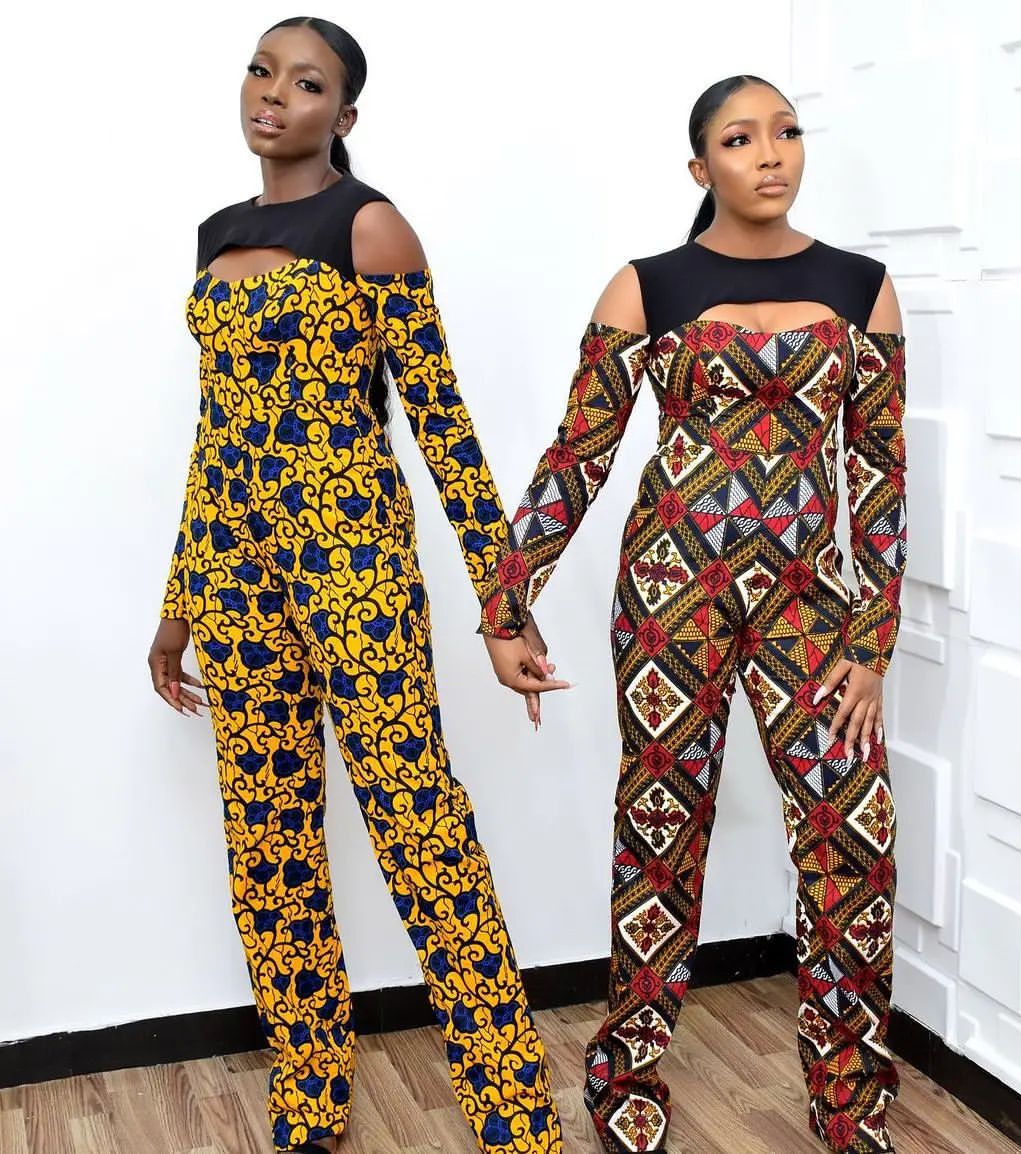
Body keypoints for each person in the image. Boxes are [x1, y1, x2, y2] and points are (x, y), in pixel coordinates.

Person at [146, 17, 565, 1154]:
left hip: (355, 570)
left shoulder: (370, 227)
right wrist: (178, 606)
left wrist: (502, 608)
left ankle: (515, 1115)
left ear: (345, 113)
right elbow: (214, 436)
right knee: (268, 846)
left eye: (306, 82)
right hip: (234, 582)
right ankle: (310, 1101)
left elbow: (443, 428)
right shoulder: (216, 234)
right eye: (261, 70)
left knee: (421, 828)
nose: (273, 94)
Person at [480, 75, 907, 1154]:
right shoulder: (648, 285)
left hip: (814, 612)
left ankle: (852, 1104)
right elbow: (577, 458)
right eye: (740, 137)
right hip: (672, 601)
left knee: (855, 842)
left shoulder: (862, 288)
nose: (771, 154)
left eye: (787, 132)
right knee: (661, 833)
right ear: (699, 165)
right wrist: (506, 605)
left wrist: (872, 642)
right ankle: (626, 1080)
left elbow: (883, 475)